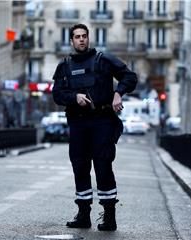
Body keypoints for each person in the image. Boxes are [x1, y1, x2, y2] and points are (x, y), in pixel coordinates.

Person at [52, 23, 138, 231]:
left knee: (103, 166)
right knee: (80, 167)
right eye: (77, 37)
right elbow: (57, 94)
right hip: (79, 123)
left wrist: (118, 93)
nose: (81, 39)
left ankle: (109, 216)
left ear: (88, 38)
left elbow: (130, 77)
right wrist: (75, 97)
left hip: (102, 121)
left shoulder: (103, 60)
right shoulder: (64, 66)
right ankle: (83, 215)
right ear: (71, 41)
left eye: (84, 36)